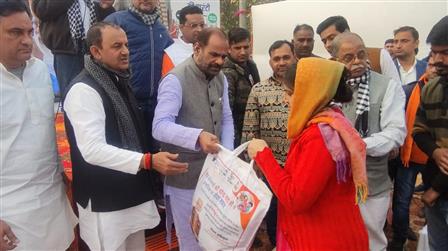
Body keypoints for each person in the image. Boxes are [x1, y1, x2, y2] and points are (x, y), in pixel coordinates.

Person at [63, 22, 188, 250]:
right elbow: (92, 149)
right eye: (117, 46)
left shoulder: (118, 80)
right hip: (105, 203)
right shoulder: (84, 90)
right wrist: (148, 161)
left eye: (127, 45)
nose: (125, 51)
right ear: (96, 51)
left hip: (131, 194)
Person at [247, 57, 369, 250]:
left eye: (290, 93)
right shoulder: (329, 122)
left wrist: (263, 155)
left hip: (324, 239)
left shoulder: (320, 136)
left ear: (310, 93)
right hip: (326, 231)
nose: (285, 99)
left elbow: (296, 199)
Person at [0, 1, 77, 250]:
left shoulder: (41, 71)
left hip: (52, 201)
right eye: (15, 33)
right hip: (10, 212)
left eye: (29, 32)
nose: (26, 40)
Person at [152, 28, 234, 250]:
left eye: (224, 56)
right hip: (184, 177)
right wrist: (197, 136)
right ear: (197, 48)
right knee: (191, 241)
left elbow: (226, 117)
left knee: (215, 238)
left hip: (214, 177)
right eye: (214, 54)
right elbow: (159, 127)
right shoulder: (175, 79)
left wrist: (228, 155)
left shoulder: (221, 78)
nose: (219, 61)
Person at [332, 32, 406, 251]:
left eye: (361, 54)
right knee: (340, 239)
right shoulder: (330, 86)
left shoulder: (386, 86)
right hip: (335, 182)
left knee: (371, 240)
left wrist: (358, 146)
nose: (357, 61)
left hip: (372, 183)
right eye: (348, 57)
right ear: (336, 60)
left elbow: (396, 133)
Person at [241, 40, 296, 247]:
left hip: (300, 167)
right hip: (270, 169)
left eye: (286, 57)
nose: (281, 62)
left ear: (294, 57)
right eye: (276, 59)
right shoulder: (258, 90)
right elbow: (249, 131)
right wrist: (253, 167)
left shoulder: (305, 88)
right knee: (273, 212)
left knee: (298, 213)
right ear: (270, 62)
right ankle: (276, 244)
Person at [105, 0, 173, 152]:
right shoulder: (116, 22)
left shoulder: (161, 29)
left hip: (156, 103)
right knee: (129, 150)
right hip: (126, 101)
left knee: (155, 149)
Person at [388, 55, 438, 250]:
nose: (433, 69)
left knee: (434, 199)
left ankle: (431, 235)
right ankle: (400, 237)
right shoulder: (409, 90)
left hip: (435, 159)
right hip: (408, 156)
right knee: (402, 199)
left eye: (436, 65)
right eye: (431, 65)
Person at [413, 15, 448, 251]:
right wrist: (435, 151)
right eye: (434, 53)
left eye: (444, 52)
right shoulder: (433, 87)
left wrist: (435, 189)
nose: (437, 61)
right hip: (435, 188)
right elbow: (419, 128)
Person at [31, 0, 115, 97]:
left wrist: (106, 6)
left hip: (95, 48)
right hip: (66, 51)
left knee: (101, 94)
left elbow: (108, 12)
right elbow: (41, 10)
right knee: (72, 96)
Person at [317, 15, 400, 83]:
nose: (328, 45)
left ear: (347, 32)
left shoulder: (379, 55)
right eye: (324, 41)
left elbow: (396, 91)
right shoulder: (328, 66)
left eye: (332, 38)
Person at [222, 27, 260, 147]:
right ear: (229, 49)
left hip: (253, 128)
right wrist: (235, 142)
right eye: (237, 48)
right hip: (237, 132)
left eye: (246, 47)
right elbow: (227, 112)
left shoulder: (251, 65)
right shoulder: (227, 72)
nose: (243, 52)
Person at [161, 5, 204, 75]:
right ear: (181, 27)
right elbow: (168, 83)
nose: (199, 29)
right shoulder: (171, 53)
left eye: (202, 25)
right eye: (193, 25)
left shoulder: (209, 48)